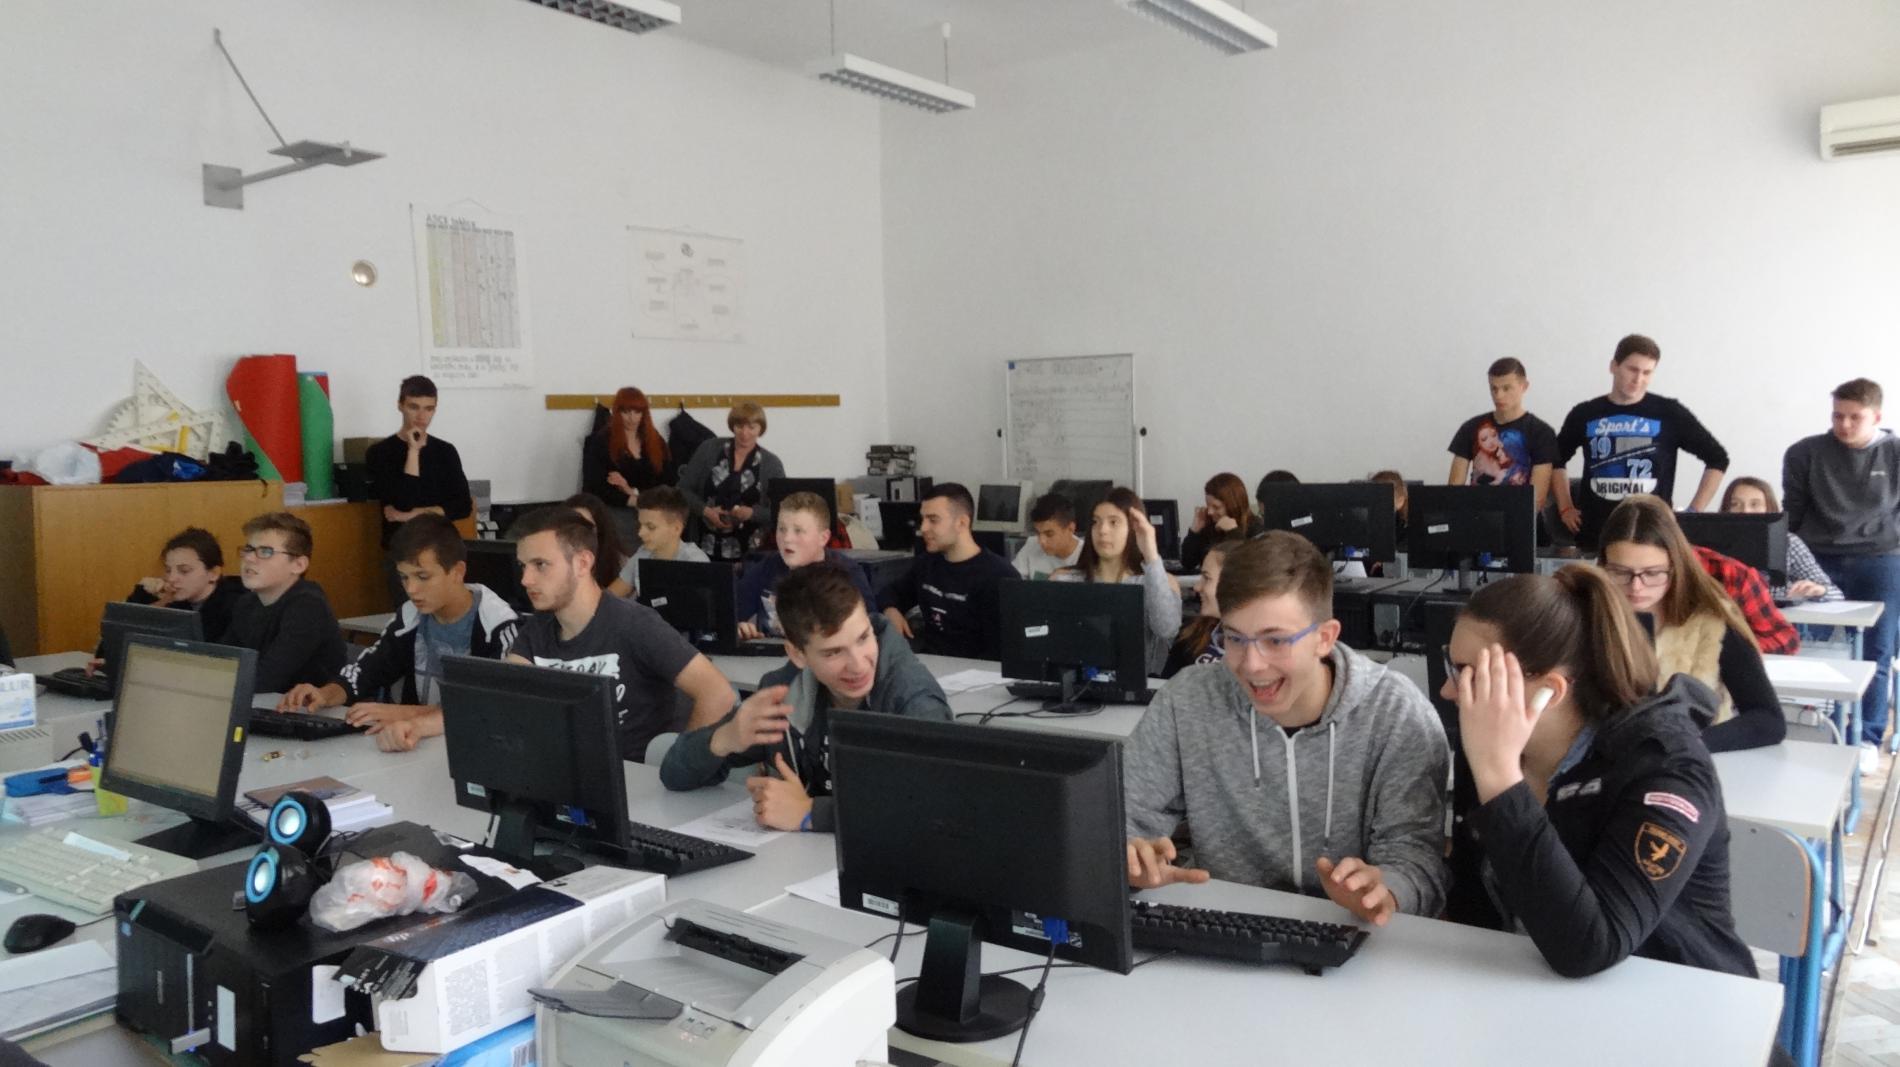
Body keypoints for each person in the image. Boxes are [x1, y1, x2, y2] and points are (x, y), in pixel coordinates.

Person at [1441, 567, 1755, 980]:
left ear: (1550, 690)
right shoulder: (1493, 744)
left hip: (1677, 995)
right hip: (1529, 991)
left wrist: (1500, 780)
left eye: (1467, 673)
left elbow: (1589, 948)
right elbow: (1473, 903)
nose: (1448, 691)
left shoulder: (1666, 766)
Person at [1123, 532, 1451, 924]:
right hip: (1228, 927)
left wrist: (1389, 890)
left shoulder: (1395, 712)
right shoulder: (1187, 700)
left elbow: (1417, 861)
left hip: (1355, 931)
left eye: (1275, 640)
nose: (1251, 664)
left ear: (1324, 638)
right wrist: (1130, 859)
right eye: (1234, 638)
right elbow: (1125, 821)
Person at [659, 564, 952, 830]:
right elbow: (673, 775)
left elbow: (936, 810)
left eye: (863, 638)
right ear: (797, 654)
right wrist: (726, 737)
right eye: (833, 652)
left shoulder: (913, 700)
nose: (858, 664)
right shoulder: (782, 693)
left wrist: (811, 813)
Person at [506, 508, 737, 761]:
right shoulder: (536, 629)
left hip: (633, 776)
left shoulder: (635, 624)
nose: (526, 579)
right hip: (567, 772)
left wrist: (681, 764)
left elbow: (717, 693)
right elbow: (510, 701)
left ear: (582, 563)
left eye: (540, 565)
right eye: (523, 566)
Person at [277, 515, 518, 752]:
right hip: (415, 745)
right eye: (403, 577)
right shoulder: (410, 616)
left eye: (422, 577)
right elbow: (367, 670)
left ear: (457, 571)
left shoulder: (498, 626)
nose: (411, 589)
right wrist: (325, 694)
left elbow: (490, 707)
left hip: (475, 747)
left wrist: (405, 713)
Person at [1598, 496, 1783, 752]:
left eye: (1652, 573)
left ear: (1675, 566)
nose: (1636, 587)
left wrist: (1685, 743)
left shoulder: (1713, 620)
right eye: (1620, 572)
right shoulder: (1583, 616)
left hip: (1692, 761)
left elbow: (1768, 719)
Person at [1784, 377, 1900, 754]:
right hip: (1817, 557)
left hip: (1881, 557)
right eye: (1837, 416)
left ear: (1876, 417)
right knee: (1807, 644)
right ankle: (1814, 726)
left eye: (1854, 417)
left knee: (1876, 649)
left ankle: (1866, 737)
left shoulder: (1895, 454)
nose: (1844, 425)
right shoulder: (1805, 453)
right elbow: (1792, 516)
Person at [1552, 335, 1729, 548]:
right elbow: (1555, 459)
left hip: (1653, 533)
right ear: (1614, 366)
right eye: (1632, 369)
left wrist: (1693, 513)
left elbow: (1718, 458)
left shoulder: (1670, 413)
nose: (1638, 379)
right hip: (1596, 532)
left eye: (1647, 372)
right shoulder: (1585, 413)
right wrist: (1565, 508)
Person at [1053, 488, 1183, 675]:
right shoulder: (1064, 580)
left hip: (1138, 688)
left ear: (1134, 529)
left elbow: (1167, 629)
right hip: (1075, 687)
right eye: (1096, 522)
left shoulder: (1159, 583)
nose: (1102, 530)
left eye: (1113, 522)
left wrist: (1151, 555)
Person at [882, 483, 1020, 659]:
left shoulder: (999, 576)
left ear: (962, 522)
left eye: (933, 520)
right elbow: (891, 593)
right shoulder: (927, 564)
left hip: (977, 669)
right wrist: (891, 610)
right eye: (923, 519)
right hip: (931, 663)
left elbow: (1003, 650)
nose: (923, 528)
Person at [220, 512, 348, 693]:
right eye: (248, 549)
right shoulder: (247, 603)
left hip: (305, 708)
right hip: (263, 703)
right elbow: (221, 663)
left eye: (265, 552)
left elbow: (266, 679)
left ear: (298, 565)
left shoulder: (308, 607)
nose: (249, 558)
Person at [91, 528, 246, 671]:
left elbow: (214, 662)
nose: (171, 578)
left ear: (213, 573)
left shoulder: (239, 606)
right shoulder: (174, 602)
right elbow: (109, 647)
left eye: (184, 571)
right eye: (168, 570)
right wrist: (152, 601)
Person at [735, 492, 878, 640]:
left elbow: (870, 631)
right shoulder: (765, 568)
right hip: (773, 653)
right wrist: (739, 628)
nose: (787, 539)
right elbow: (731, 613)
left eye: (798, 531)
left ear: (823, 538)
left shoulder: (846, 574)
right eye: (782, 529)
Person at [1446, 358, 1559, 511]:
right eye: (1494, 388)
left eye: (1506, 388)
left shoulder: (1541, 432)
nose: (1498, 396)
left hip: (1521, 517)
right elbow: (1453, 489)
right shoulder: (1470, 427)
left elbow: (1537, 499)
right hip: (1477, 515)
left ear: (1524, 386)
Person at [678, 401, 786, 561]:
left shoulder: (772, 464)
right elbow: (682, 489)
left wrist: (752, 513)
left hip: (752, 553)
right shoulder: (708, 449)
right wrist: (705, 511)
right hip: (703, 547)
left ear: (761, 429)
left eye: (752, 427)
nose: (745, 433)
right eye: (739, 426)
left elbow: (782, 511)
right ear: (732, 426)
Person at [1720, 477, 1843, 603]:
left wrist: (1819, 590)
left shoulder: (1788, 542)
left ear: (1769, 508)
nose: (1745, 511)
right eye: (1735, 504)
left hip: (1777, 613)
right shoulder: (1712, 543)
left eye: (1755, 504)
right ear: (1725, 509)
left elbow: (1834, 593)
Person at [581, 387, 673, 509]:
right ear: (617, 413)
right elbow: (596, 487)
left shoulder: (655, 439)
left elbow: (668, 480)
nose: (632, 418)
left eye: (637, 412)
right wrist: (633, 499)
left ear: (644, 414)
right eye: (626, 412)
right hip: (615, 507)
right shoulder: (602, 441)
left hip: (653, 504)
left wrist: (631, 491)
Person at [1162, 539, 1234, 677]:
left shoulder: (1259, 653)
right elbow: (1167, 684)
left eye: (1206, 578)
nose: (1197, 587)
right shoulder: (1191, 637)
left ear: (1234, 584)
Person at [623, 485, 709, 595]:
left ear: (676, 528)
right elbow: (611, 595)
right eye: (640, 525)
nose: (640, 533)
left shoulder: (695, 563)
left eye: (651, 527)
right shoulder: (643, 553)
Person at [1180, 472, 1264, 571]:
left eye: (1216, 507)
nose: (1210, 512)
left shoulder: (1256, 528)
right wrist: (1195, 530)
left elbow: (1248, 566)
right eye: (1208, 506)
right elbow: (1188, 563)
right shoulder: (1211, 525)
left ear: (1233, 505)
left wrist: (1233, 532)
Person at [565, 492, 634, 597]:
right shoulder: (551, 559)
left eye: (587, 527)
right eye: (572, 526)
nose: (579, 533)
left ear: (600, 530)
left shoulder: (622, 564)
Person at [1012, 493, 1083, 580]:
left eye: (1049, 534)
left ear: (1070, 529)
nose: (1041, 541)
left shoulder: (1089, 555)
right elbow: (1013, 580)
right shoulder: (1032, 544)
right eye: (1038, 533)